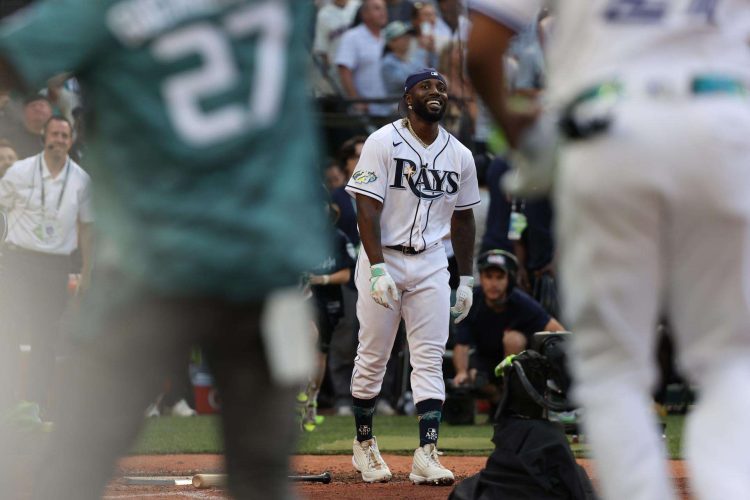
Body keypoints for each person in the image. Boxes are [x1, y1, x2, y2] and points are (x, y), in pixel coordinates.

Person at [0, 1, 329, 499]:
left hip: (151, 265)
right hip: (266, 264)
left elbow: (13, 56)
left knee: (75, 463)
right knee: (263, 474)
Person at [467, 1, 750, 499]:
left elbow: (482, 48)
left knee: (612, 369)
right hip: (723, 121)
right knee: (729, 360)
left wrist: (522, 140)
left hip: (610, 124)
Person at [345, 68, 480, 484]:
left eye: (441, 87)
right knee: (373, 356)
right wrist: (377, 268)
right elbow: (365, 208)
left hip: (431, 261)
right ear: (408, 98)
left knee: (428, 357)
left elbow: (464, 218)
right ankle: (364, 445)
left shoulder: (460, 153)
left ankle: (427, 452)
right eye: (425, 86)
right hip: (383, 255)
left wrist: (468, 279)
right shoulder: (382, 141)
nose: (435, 92)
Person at [0, 116, 93, 420]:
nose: (59, 139)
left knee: (45, 337)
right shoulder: (19, 171)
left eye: (65, 135)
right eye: (54, 133)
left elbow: (87, 228)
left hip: (56, 264)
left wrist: (88, 272)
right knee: (9, 331)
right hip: (19, 261)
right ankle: (7, 403)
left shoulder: (81, 179)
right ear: (44, 136)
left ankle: (34, 407)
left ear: (71, 139)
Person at [452, 249, 564, 407]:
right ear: (481, 279)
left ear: (509, 279)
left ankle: (513, 398)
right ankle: (498, 400)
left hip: (518, 365)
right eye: (488, 277)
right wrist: (461, 373)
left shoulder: (522, 302)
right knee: (473, 376)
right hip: (484, 361)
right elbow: (461, 345)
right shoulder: (471, 302)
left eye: (500, 277)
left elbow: (557, 330)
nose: (493, 284)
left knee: (514, 339)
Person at [299, 200, 356, 431]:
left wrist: (321, 279)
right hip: (304, 297)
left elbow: (345, 274)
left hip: (329, 299)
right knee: (308, 338)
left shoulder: (339, 238)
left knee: (320, 354)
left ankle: (310, 402)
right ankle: (299, 393)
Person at [335, 0, 391, 116]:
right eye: (377, 8)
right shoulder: (352, 37)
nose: (383, 12)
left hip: (389, 108)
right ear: (364, 14)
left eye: (384, 8)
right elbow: (344, 70)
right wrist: (356, 100)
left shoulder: (389, 36)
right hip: (366, 110)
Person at [0, 94, 53, 159]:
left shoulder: (59, 137)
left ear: (50, 112)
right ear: (24, 112)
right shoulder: (9, 138)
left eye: (42, 105)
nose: (37, 109)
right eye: (33, 106)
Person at [381, 21, 425, 96]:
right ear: (391, 42)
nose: (407, 39)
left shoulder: (414, 58)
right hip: (396, 105)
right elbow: (409, 81)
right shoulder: (387, 63)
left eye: (408, 36)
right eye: (402, 37)